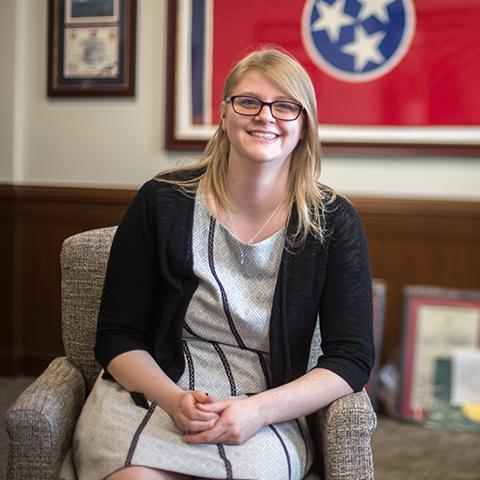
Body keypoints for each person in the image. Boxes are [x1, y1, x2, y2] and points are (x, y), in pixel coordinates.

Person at [71, 47, 375, 480]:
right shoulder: (161, 201)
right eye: (248, 101)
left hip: (267, 404)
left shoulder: (333, 222)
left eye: (285, 106)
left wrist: (256, 411)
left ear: (304, 125)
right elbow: (117, 336)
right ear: (225, 113)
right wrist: (173, 400)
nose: (264, 116)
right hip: (154, 392)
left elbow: (351, 358)